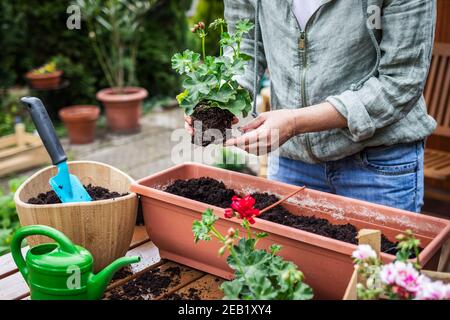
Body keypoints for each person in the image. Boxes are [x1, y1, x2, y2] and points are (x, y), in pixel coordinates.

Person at [185, 0, 437, 213]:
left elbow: (401, 81)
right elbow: (245, 47)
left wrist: (295, 122)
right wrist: (219, 101)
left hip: (377, 163)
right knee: (288, 269)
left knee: (375, 271)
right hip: (292, 162)